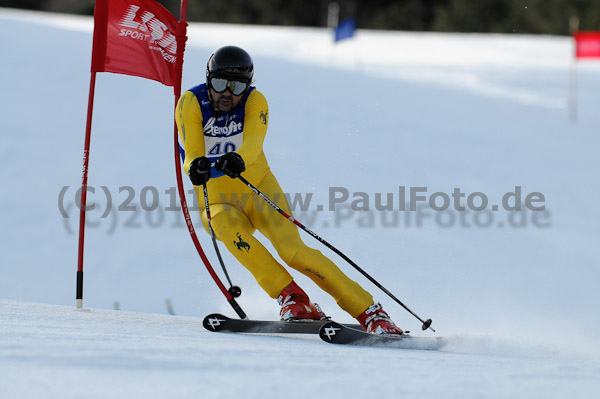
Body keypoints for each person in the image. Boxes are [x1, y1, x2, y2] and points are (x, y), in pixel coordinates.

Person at [176, 45, 403, 335]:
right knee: (221, 225)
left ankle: (370, 312)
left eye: (237, 86)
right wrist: (195, 166)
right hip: (219, 201)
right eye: (220, 84)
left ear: (249, 85)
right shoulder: (190, 102)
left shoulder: (255, 101)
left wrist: (239, 159)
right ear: (208, 80)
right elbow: (192, 151)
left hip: (258, 191)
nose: (227, 94)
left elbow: (254, 143)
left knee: (293, 251)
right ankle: (293, 298)